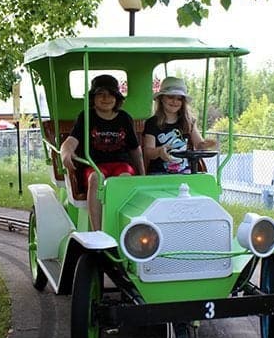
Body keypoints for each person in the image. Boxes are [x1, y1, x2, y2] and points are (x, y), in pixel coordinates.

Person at [60, 74, 145, 230]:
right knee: (96, 178)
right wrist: (66, 152)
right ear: (93, 98)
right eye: (101, 94)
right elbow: (70, 142)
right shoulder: (86, 117)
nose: (106, 98)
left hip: (121, 164)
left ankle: (123, 228)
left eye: (111, 94)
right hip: (95, 165)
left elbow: (135, 150)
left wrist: (142, 175)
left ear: (117, 98)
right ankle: (97, 231)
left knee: (124, 179)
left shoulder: (125, 118)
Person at [143, 76, 216, 174]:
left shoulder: (188, 122)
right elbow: (148, 152)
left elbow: (199, 145)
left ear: (183, 102)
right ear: (161, 98)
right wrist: (159, 152)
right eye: (170, 97)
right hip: (159, 172)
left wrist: (206, 144)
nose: (175, 101)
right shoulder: (152, 123)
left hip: (184, 171)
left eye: (179, 98)